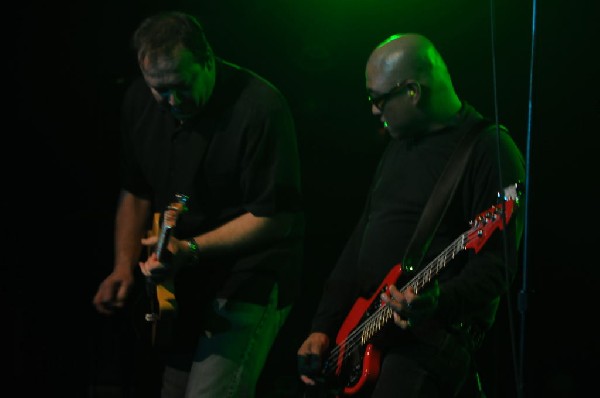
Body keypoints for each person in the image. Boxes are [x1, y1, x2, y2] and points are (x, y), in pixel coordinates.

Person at [297, 33, 525, 397]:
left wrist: (439, 301)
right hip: (364, 330)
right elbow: (362, 237)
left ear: (413, 92)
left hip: (429, 340)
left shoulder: (491, 150)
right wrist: (323, 326)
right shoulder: (398, 144)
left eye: (378, 99)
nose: (374, 110)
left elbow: (499, 264)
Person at [92, 10, 304, 398]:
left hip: (250, 272)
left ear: (208, 61)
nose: (170, 100)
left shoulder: (261, 107)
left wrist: (190, 249)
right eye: (159, 89)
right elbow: (135, 189)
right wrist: (123, 266)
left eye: (180, 85)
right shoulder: (139, 100)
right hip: (184, 277)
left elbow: (274, 218)